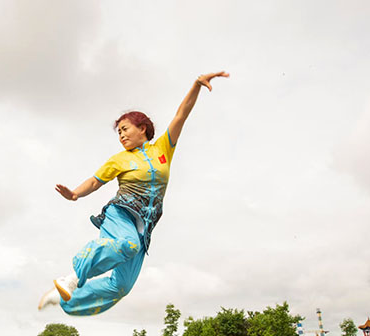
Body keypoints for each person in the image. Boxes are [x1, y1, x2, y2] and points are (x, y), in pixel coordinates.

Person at [39, 72, 229, 315]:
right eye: (118, 132)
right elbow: (95, 181)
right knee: (127, 244)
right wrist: (75, 194)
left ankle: (65, 300)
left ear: (142, 128)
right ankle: (72, 278)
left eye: (125, 129)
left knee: (122, 286)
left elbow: (181, 115)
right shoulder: (119, 159)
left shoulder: (163, 149)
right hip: (121, 215)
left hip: (145, 225)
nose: (121, 135)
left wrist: (196, 85)